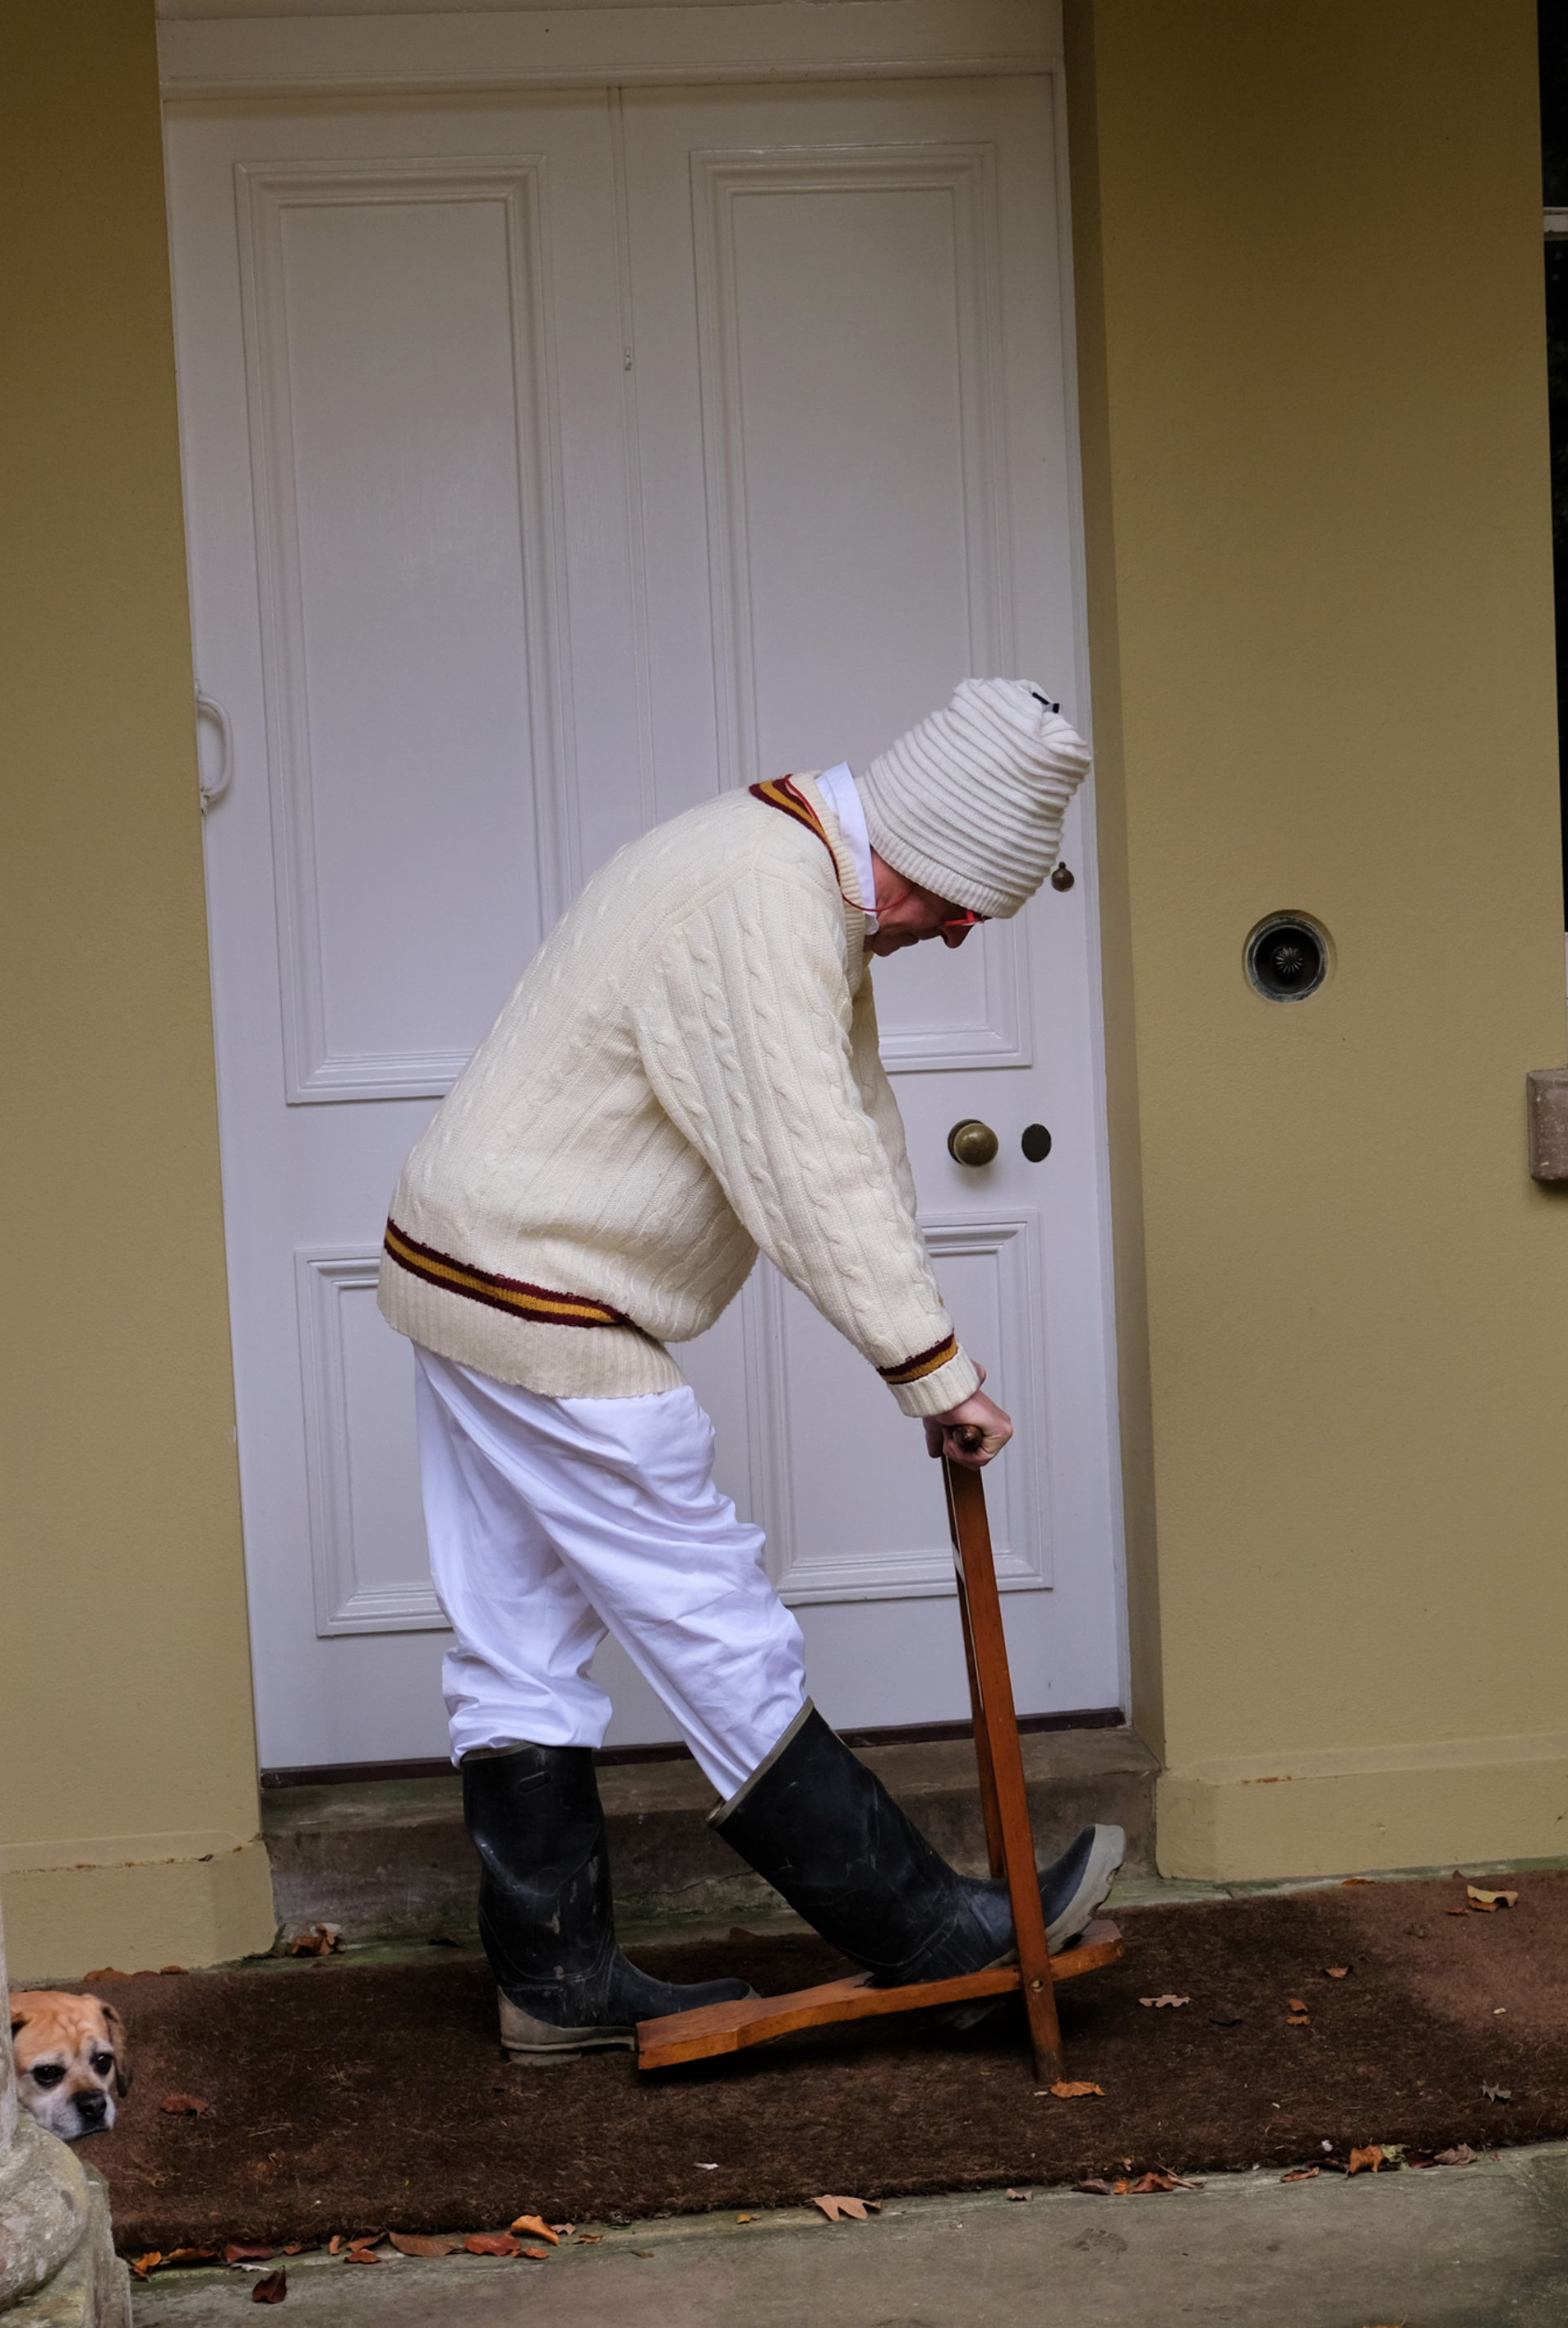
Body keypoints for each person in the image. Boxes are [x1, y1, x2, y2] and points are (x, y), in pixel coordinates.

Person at [377, 679, 1123, 2058]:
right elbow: (808, 1165)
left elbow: (857, 1126)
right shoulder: (763, 901)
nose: (960, 931)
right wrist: (934, 1374)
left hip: (471, 1269)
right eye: (964, 901)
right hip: (544, 1293)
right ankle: (922, 1934)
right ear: (933, 841)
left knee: (518, 1635)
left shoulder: (786, 869)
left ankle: (554, 1988)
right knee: (716, 1622)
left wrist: (929, 1356)